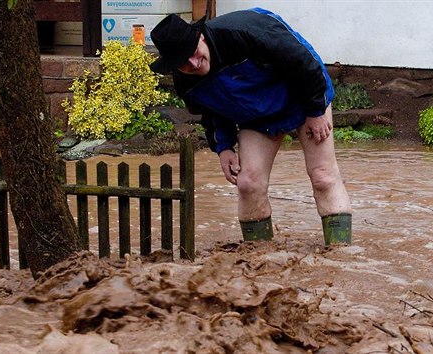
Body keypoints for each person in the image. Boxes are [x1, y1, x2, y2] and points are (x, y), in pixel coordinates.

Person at [150, 8, 352, 245]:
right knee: (248, 183)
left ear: (200, 37)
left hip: (303, 98)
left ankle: (339, 255)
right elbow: (212, 111)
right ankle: (258, 258)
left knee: (322, 176)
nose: (193, 63)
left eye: (193, 53)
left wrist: (316, 110)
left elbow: (302, 62)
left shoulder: (244, 31)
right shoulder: (187, 83)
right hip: (257, 117)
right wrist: (223, 147)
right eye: (183, 63)